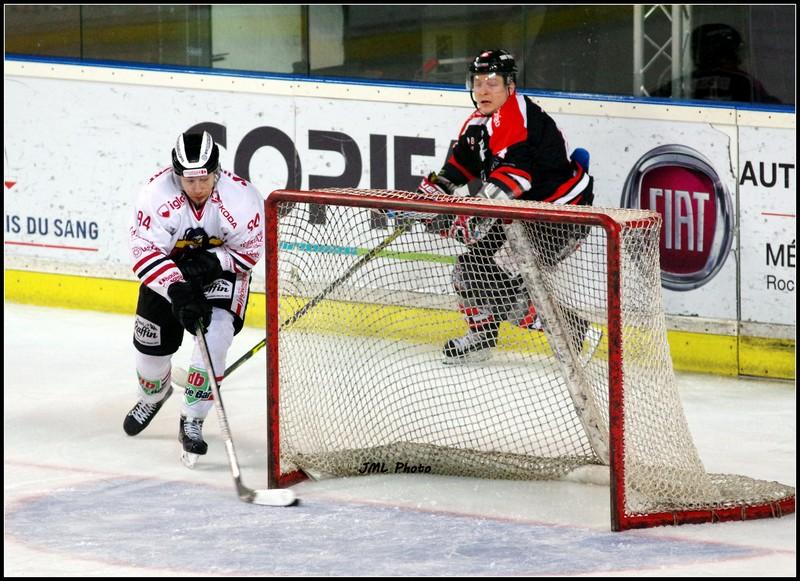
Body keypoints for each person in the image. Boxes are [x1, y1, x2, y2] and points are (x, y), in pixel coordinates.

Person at [415, 49, 595, 363]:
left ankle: (577, 333)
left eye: (492, 82)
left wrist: (473, 217)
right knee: (470, 272)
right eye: (477, 82)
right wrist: (423, 199)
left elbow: (516, 177)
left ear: (510, 86)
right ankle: (482, 338)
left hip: (560, 217)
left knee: (493, 279)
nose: (482, 90)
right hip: (523, 215)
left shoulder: (515, 115)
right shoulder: (477, 124)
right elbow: (457, 170)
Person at [124, 130, 265, 467]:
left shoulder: (242, 199)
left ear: (217, 171)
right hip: (167, 271)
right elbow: (143, 252)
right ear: (177, 175)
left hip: (222, 272)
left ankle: (192, 418)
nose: (198, 188)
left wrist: (211, 263)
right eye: (189, 180)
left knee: (216, 335)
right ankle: (155, 394)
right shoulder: (156, 195)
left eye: (204, 178)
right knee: (150, 351)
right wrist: (177, 288)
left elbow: (248, 252)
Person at [653, 23, 780, 104]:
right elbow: (770, 109)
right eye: (735, 51)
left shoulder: (680, 83)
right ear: (725, 53)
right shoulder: (744, 81)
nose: (739, 58)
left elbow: (651, 101)